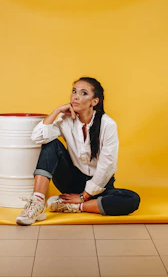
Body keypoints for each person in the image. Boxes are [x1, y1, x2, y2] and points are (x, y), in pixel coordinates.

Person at [16, 77, 140, 225]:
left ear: (94, 101)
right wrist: (56, 111)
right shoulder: (65, 119)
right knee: (51, 144)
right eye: (74, 91)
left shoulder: (108, 125)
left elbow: (108, 166)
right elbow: (37, 137)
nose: (75, 96)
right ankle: (37, 203)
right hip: (72, 181)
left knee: (132, 199)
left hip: (100, 186)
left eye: (83, 93)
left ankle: (74, 206)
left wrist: (83, 196)